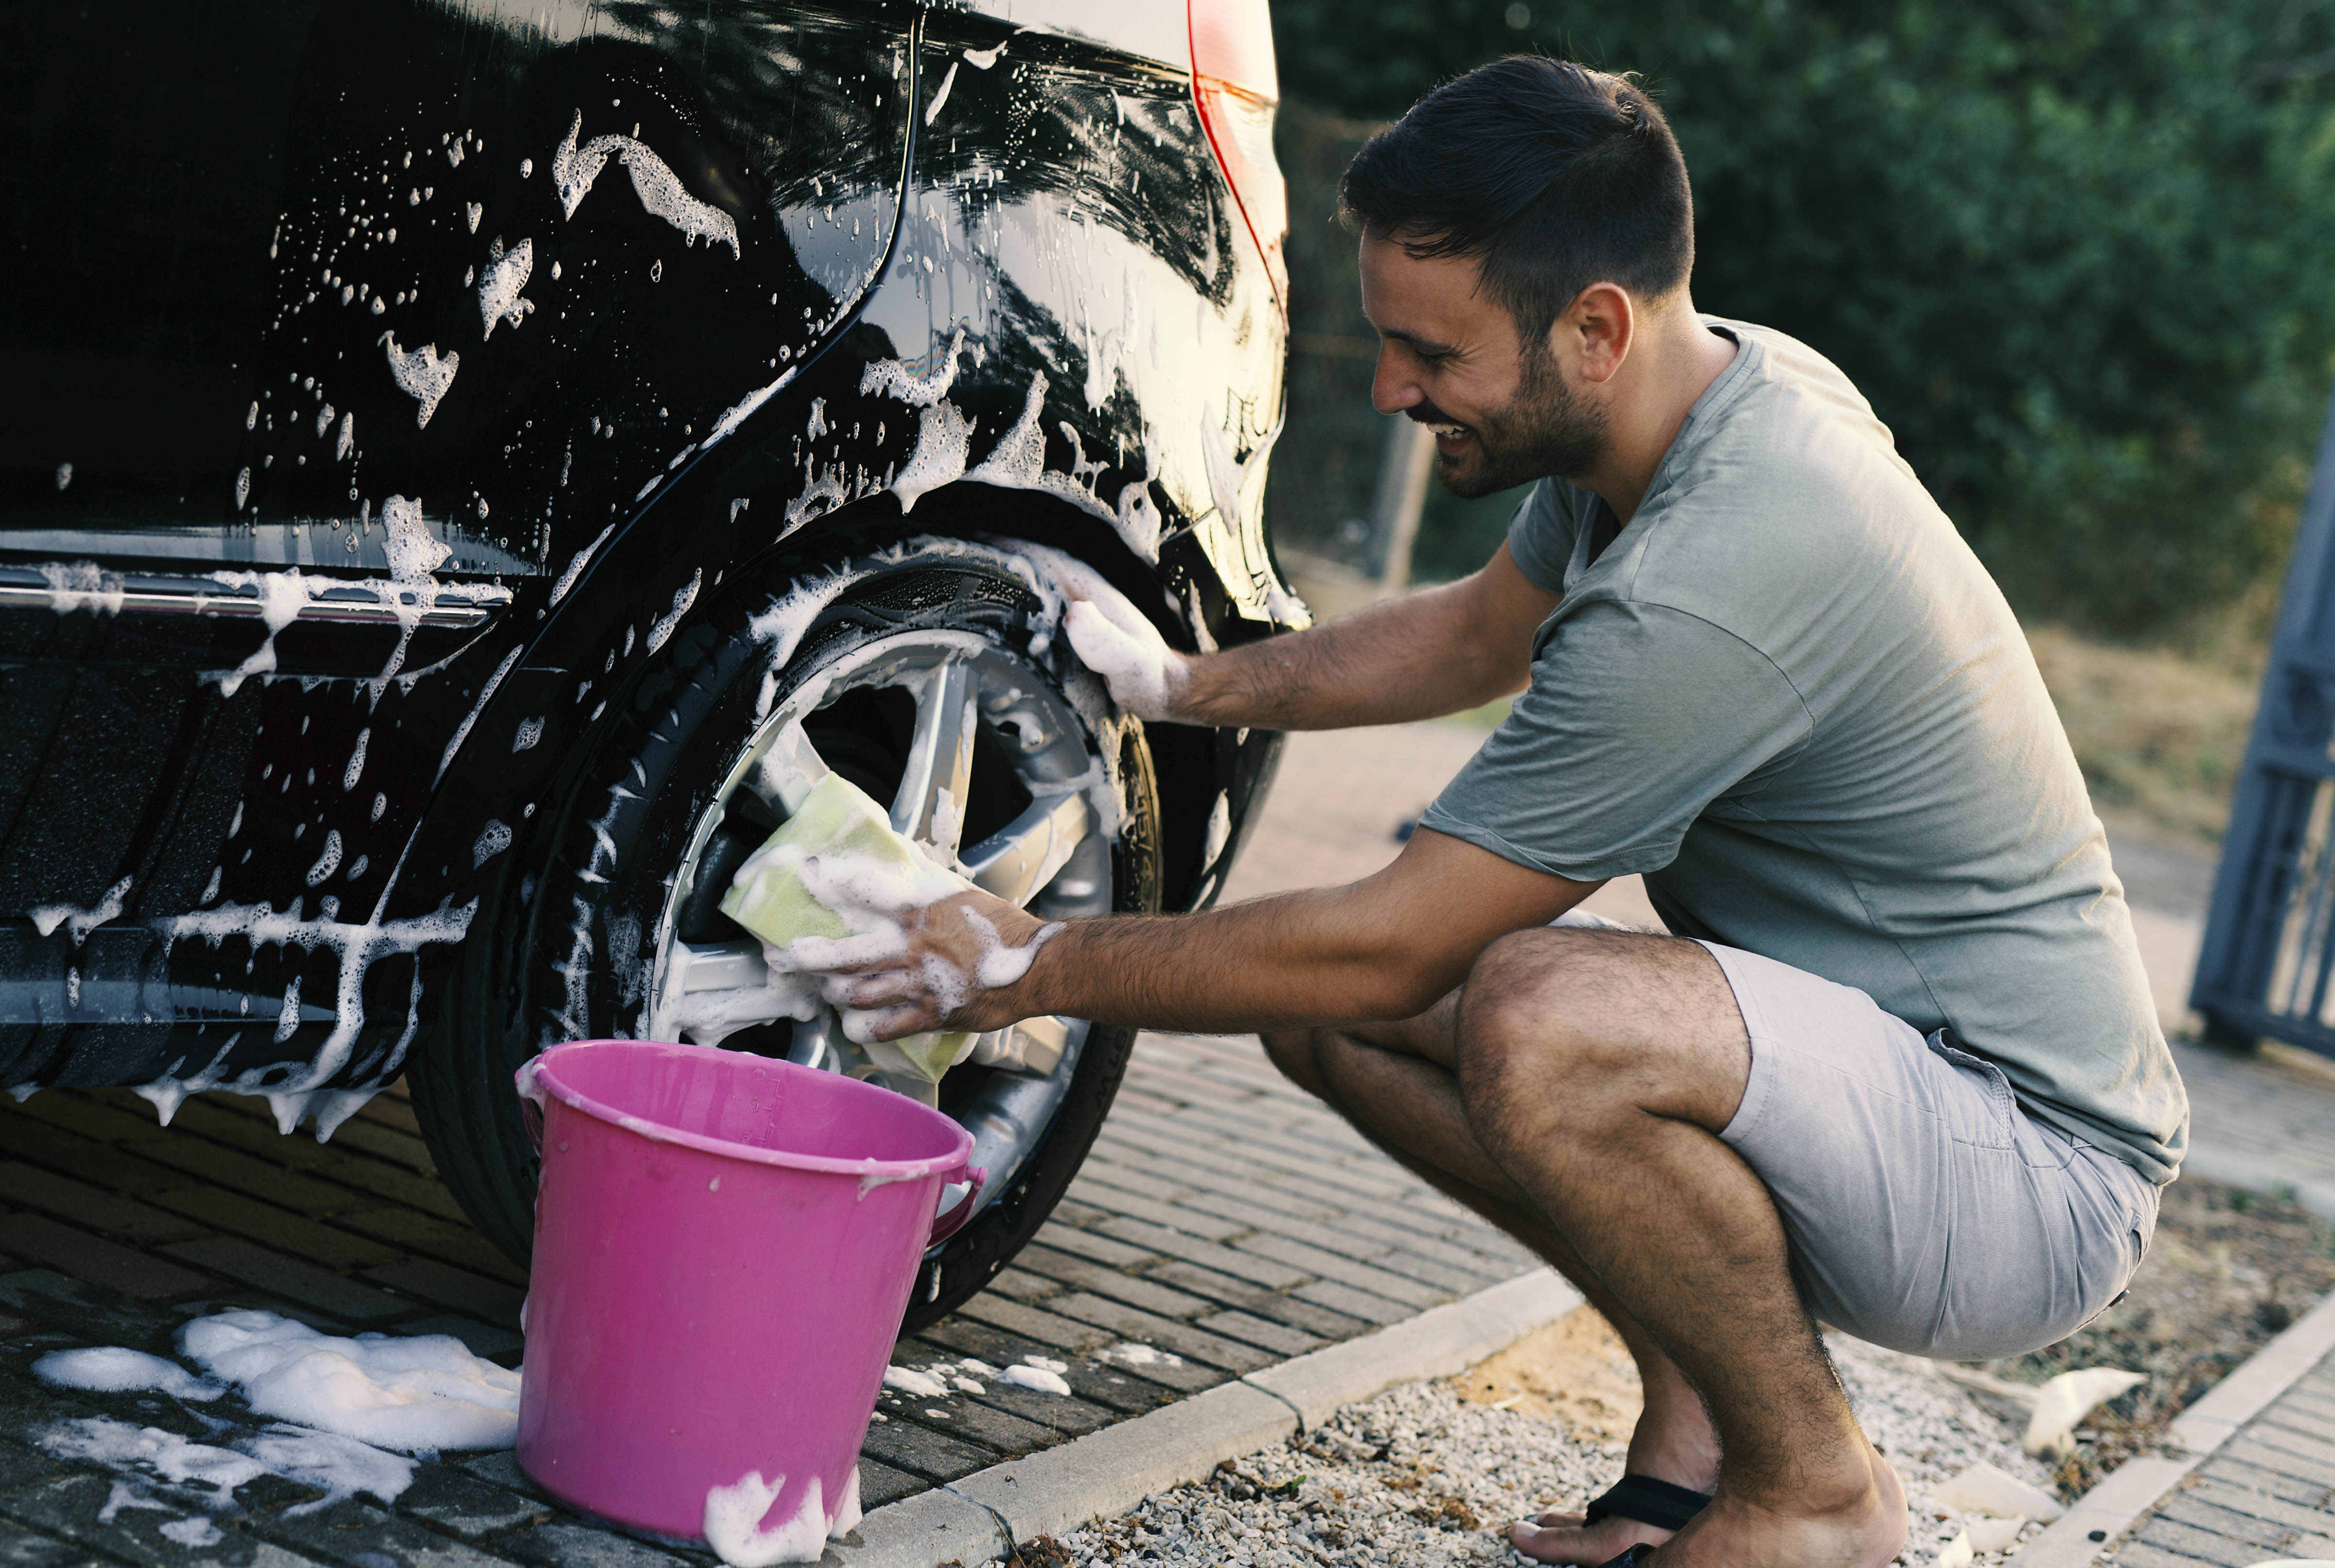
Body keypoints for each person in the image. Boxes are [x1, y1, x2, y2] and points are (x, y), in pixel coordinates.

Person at [768, 53, 2188, 1568]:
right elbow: (1472, 638)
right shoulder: (1682, 406)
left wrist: (1017, 960)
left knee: (1538, 1014)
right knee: (1326, 1014)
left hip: (2027, 1166)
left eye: (1429, 352)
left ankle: (1819, 1492)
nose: (1391, 390)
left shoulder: (1720, 569)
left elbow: (1393, 942)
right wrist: (1184, 684)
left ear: (1595, 328)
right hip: (1889, 1086)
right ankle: (1703, 1416)